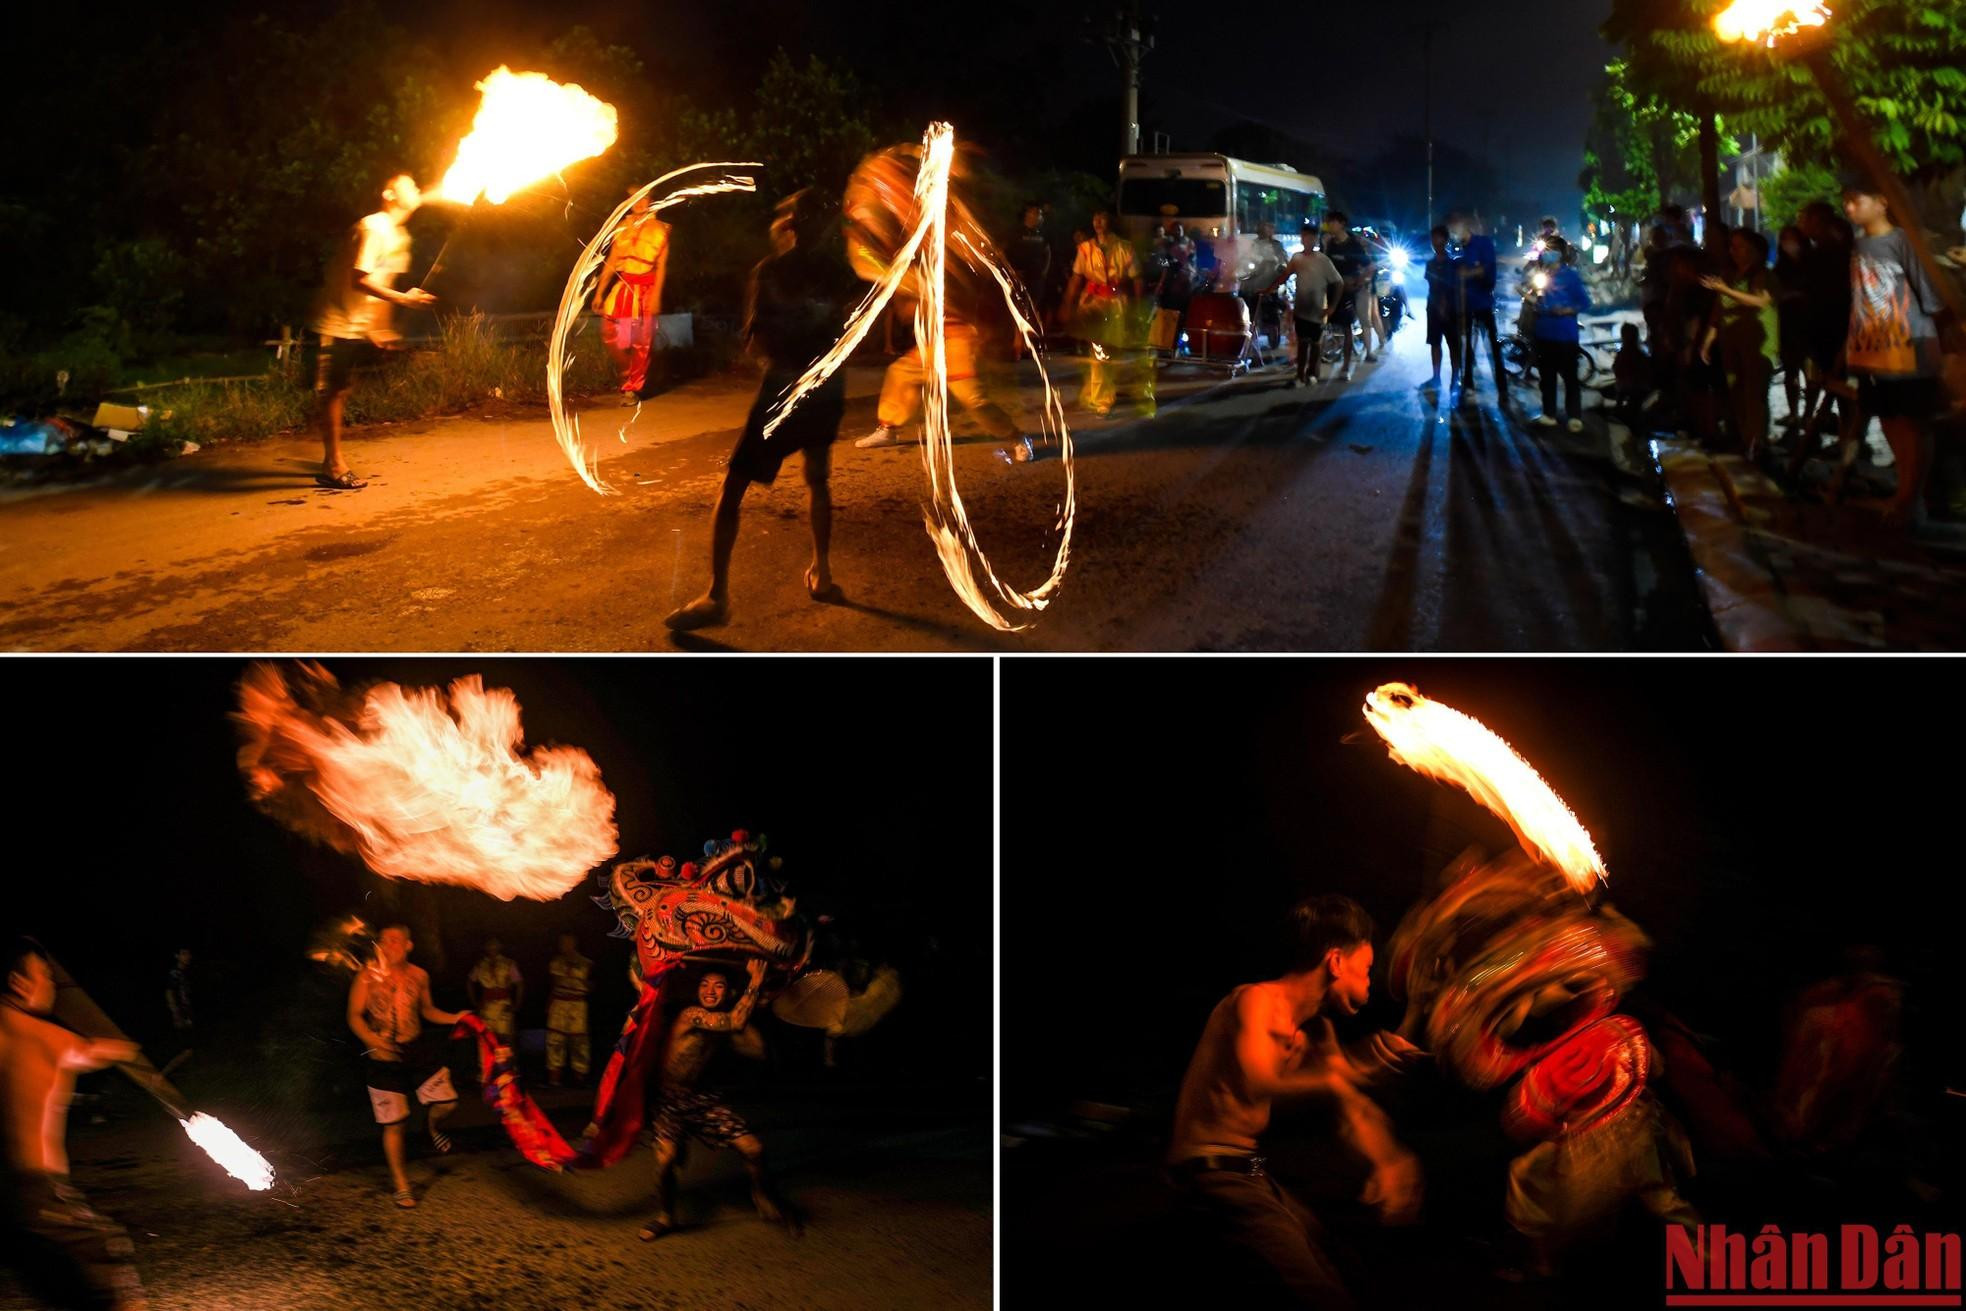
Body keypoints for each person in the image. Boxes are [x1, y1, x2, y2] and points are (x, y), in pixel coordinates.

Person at [1167, 896, 1422, 1308]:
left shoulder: (1317, 1032)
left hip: (1251, 1170)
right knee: (1320, 1294)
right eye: (1368, 969)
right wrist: (1351, 1070)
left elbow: (1349, 1106)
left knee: (1340, 1261)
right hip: (1211, 1170)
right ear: (1336, 962)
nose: (1371, 983)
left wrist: (1390, 1159)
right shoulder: (1254, 1001)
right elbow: (1257, 1081)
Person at [665, 191, 851, 631]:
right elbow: (856, 324)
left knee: (734, 488)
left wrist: (775, 352)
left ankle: (717, 596)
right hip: (826, 388)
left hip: (784, 390)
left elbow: (756, 340)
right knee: (818, 478)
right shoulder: (840, 273)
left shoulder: (770, 271)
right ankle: (822, 574)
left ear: (791, 225)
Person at [0, 938, 147, 1311]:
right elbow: (98, 1050)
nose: (52, 985)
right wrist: (129, 1049)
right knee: (110, 1260)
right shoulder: (48, 1039)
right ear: (18, 983)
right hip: (39, 1194)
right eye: (45, 975)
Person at [853, 147, 1025, 452]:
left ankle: (1014, 437)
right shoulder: (929, 245)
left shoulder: (962, 246)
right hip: (936, 338)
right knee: (900, 373)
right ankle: (887, 427)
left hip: (957, 338)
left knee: (972, 397)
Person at [637, 959, 795, 1241]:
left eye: (718, 986)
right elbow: (735, 1020)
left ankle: (761, 1193)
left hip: (702, 1100)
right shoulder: (692, 1014)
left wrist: (765, 996)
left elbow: (756, 1048)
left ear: (729, 992)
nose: (710, 991)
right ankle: (666, 1216)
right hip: (669, 1103)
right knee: (666, 1161)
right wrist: (755, 982)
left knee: (754, 1148)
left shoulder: (725, 1020)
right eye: (704, 984)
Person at [311, 172, 436, 490]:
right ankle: (333, 464)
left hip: (358, 324)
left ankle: (331, 454)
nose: (418, 189)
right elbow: (359, 278)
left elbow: (385, 283)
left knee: (342, 389)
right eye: (409, 186)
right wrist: (403, 300)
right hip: (337, 320)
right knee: (334, 390)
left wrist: (381, 328)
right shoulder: (372, 227)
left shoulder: (400, 237)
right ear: (389, 194)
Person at [1842, 180, 1947, 526]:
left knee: (1913, 423)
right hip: (1873, 351)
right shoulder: (1859, 245)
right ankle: (1905, 492)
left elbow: (1929, 292)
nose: (1850, 208)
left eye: (1856, 201)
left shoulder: (1902, 241)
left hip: (1908, 345)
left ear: (1881, 202)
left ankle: (1911, 499)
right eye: (1847, 202)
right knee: (1889, 419)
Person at [347, 924, 467, 1209]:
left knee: (448, 1103)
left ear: (409, 945)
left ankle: (432, 1125)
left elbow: (427, 1010)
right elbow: (354, 1015)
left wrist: (455, 1018)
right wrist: (371, 1040)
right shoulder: (367, 976)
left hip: (417, 1049)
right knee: (395, 1124)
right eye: (384, 940)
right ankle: (402, 1186)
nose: (389, 944)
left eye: (396, 940)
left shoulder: (419, 975)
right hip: (382, 1056)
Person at [1059, 209, 1155, 421]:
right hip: (1092, 305)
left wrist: (1137, 308)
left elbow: (1137, 279)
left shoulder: (1124, 247)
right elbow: (1076, 278)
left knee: (1107, 352)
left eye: (1102, 217)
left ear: (1111, 221)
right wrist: (1067, 304)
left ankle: (1100, 395)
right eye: (1095, 218)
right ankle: (1101, 398)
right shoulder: (1084, 249)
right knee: (1099, 351)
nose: (1098, 222)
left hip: (1115, 306)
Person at [1701, 229, 1780, 460]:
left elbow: (1761, 301)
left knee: (1754, 394)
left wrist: (1725, 290)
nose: (1734, 251)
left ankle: (1758, 442)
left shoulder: (1764, 275)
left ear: (1755, 250)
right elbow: (1719, 312)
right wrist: (1708, 340)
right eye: (1732, 246)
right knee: (1736, 391)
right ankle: (1746, 440)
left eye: (1740, 246)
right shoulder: (1730, 276)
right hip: (1731, 343)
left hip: (1757, 344)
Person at [590, 190, 672, 399]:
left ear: (651, 202)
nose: (639, 202)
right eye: (635, 198)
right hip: (624, 288)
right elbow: (611, 263)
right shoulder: (621, 229)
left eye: (644, 198)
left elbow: (662, 267)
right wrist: (600, 292)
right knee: (611, 335)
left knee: (641, 342)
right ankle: (629, 372)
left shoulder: (661, 230)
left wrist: (656, 296)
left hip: (646, 290)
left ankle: (633, 387)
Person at [1529, 236, 1591, 432]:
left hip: (1565, 335)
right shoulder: (1541, 276)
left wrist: (1566, 310)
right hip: (1544, 333)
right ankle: (1549, 414)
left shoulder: (1570, 276)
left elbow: (1585, 302)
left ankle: (1574, 416)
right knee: (1546, 377)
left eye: (1553, 249)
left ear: (1562, 253)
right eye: (1546, 250)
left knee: (1570, 377)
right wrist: (1531, 300)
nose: (1548, 253)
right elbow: (1538, 302)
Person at [1450, 211, 1503, 406]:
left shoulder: (1483, 243)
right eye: (1451, 228)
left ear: (1465, 226)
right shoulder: (1456, 249)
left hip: (1483, 304)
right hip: (1464, 306)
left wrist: (1470, 272)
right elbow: (1456, 273)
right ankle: (1469, 385)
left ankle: (1502, 388)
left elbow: (1486, 269)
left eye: (1456, 227)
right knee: (1466, 348)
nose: (1454, 231)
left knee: (1492, 348)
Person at [1284, 225, 1344, 389]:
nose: (1306, 240)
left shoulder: (1323, 260)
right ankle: (1300, 376)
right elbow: (1285, 275)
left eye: (1310, 237)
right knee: (1302, 343)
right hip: (1301, 309)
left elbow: (1338, 283)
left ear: (1315, 239)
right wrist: (1268, 288)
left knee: (1316, 343)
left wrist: (1332, 306)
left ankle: (1312, 374)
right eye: (1304, 237)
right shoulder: (1297, 258)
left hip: (1318, 310)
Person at [1321, 212, 1375, 380]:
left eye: (1332, 222)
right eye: (1328, 222)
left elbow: (1370, 265)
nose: (1329, 226)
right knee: (1328, 324)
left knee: (1347, 327)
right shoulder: (1330, 244)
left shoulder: (1353, 245)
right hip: (1332, 289)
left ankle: (1347, 365)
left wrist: (1358, 281)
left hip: (1349, 291)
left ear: (1342, 224)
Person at [1772, 225, 1811, 425]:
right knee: (1791, 370)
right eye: (1784, 239)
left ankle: (1809, 414)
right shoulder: (1781, 267)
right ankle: (1793, 412)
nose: (1788, 244)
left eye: (1792, 238)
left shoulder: (1811, 263)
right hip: (1788, 323)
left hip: (1809, 323)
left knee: (1810, 371)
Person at [545, 932, 592, 1088]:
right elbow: (553, 985)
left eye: (567, 942)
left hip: (577, 1005)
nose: (564, 946)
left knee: (579, 1042)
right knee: (555, 1040)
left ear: (573, 943)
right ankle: (554, 1079)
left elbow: (592, 985)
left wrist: (580, 983)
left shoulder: (586, 963)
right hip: (559, 1003)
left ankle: (579, 1079)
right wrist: (549, 1003)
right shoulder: (556, 962)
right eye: (562, 943)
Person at [1007, 203, 1054, 356]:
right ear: (1028, 214)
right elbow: (1004, 251)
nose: (1038, 217)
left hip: (1037, 277)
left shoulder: (1043, 233)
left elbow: (1048, 252)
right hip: (1020, 276)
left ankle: (1027, 344)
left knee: (1033, 309)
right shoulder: (1016, 232)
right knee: (1019, 307)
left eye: (1040, 214)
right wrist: (1012, 271)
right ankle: (1017, 344)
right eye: (1035, 213)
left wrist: (1045, 271)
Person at [1421, 225, 1462, 394]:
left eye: (1437, 238)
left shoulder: (1452, 263)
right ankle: (1436, 377)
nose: (1434, 241)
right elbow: (1431, 284)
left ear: (1445, 240)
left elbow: (1452, 287)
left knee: (1453, 345)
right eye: (1432, 238)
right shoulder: (1430, 263)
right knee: (1435, 343)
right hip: (1433, 308)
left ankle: (1455, 378)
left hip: (1451, 310)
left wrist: (1445, 305)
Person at [466, 938, 523, 1048]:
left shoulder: (508, 963)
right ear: (485, 947)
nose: (492, 947)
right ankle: (486, 1064)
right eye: (489, 944)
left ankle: (507, 1064)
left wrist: (517, 1005)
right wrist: (474, 1002)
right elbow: (469, 982)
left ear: (500, 946)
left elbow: (519, 983)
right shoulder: (480, 965)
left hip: (504, 1005)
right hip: (486, 1007)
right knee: (485, 1038)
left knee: (506, 1038)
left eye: (494, 944)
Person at [1611, 321, 1654, 426]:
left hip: (1631, 385)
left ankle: (1622, 415)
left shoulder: (1626, 353)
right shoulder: (1637, 353)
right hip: (1635, 386)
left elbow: (1616, 367)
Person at [163, 949, 192, 1040]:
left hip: (187, 1007)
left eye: (188, 953)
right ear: (177, 956)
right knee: (182, 1032)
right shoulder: (174, 973)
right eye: (184, 954)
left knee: (189, 1031)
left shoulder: (186, 971)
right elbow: (169, 992)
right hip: (180, 1009)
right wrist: (175, 1011)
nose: (187, 956)